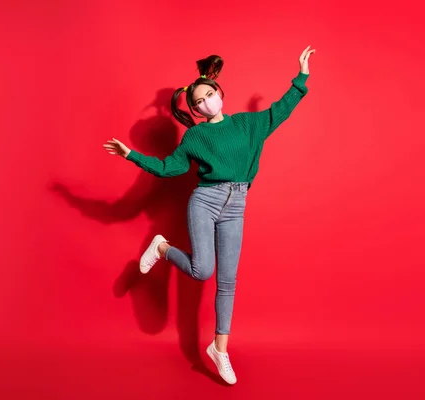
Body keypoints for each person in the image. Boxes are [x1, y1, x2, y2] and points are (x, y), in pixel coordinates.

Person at [103, 46, 315, 384]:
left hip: (237, 205)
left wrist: (301, 76)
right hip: (205, 200)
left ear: (219, 93)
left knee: (228, 281)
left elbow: (281, 110)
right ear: (195, 110)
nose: (205, 103)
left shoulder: (249, 125)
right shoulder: (195, 136)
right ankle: (161, 248)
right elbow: (167, 168)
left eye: (209, 95)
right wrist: (131, 155)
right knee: (202, 271)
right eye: (198, 102)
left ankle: (220, 349)